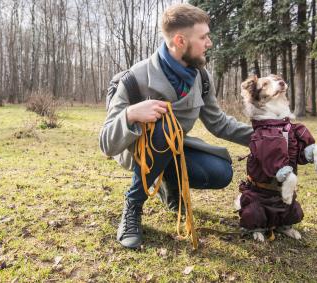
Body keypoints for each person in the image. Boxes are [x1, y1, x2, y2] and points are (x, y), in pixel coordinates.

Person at [99, 3, 253, 249]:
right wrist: (131, 114)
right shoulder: (133, 79)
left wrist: (265, 136)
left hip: (174, 149)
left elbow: (219, 123)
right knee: (163, 128)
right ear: (180, 40)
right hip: (140, 154)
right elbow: (106, 143)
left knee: (221, 171)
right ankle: (133, 205)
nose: (209, 43)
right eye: (203, 37)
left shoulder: (201, 76)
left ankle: (168, 186)